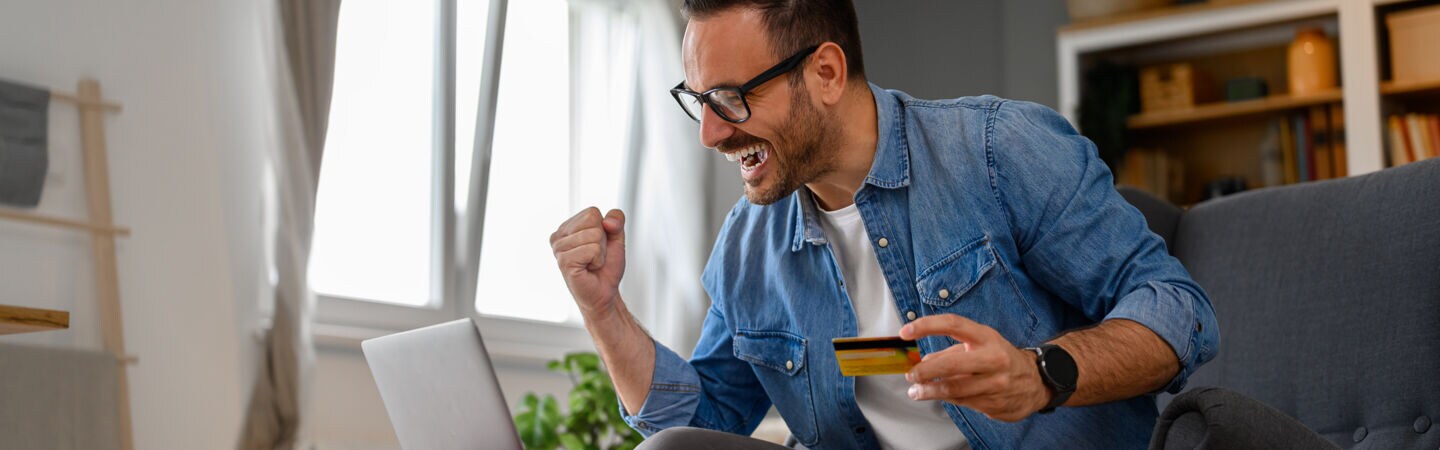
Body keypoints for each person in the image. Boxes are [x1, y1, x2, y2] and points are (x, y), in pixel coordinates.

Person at [548, 0, 1219, 448]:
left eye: (732, 98)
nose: (712, 133)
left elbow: (1178, 310)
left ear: (827, 72)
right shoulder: (747, 248)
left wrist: (1041, 373)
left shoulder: (996, 150)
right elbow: (699, 428)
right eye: (699, 102)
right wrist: (604, 311)